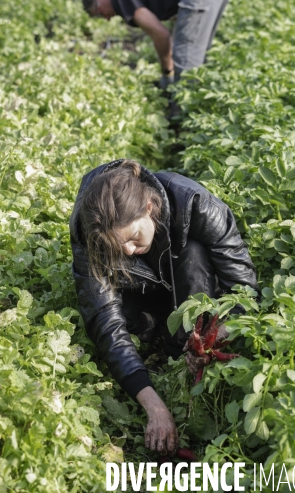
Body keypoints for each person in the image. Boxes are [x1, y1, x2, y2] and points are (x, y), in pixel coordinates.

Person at [69, 159, 258, 456]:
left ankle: (184, 349)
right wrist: (154, 407)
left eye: (132, 238)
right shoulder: (89, 233)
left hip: (193, 283)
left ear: (148, 207)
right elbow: (106, 325)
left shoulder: (195, 204)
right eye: (119, 248)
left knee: (194, 253)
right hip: (143, 296)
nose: (129, 251)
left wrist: (217, 335)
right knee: (124, 317)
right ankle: (162, 347)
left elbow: (243, 288)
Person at [81, 0, 236, 89]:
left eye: (100, 13)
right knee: (199, 46)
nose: (106, 18)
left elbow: (161, 34)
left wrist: (167, 72)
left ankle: (183, 112)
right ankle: (203, 97)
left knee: (187, 49)